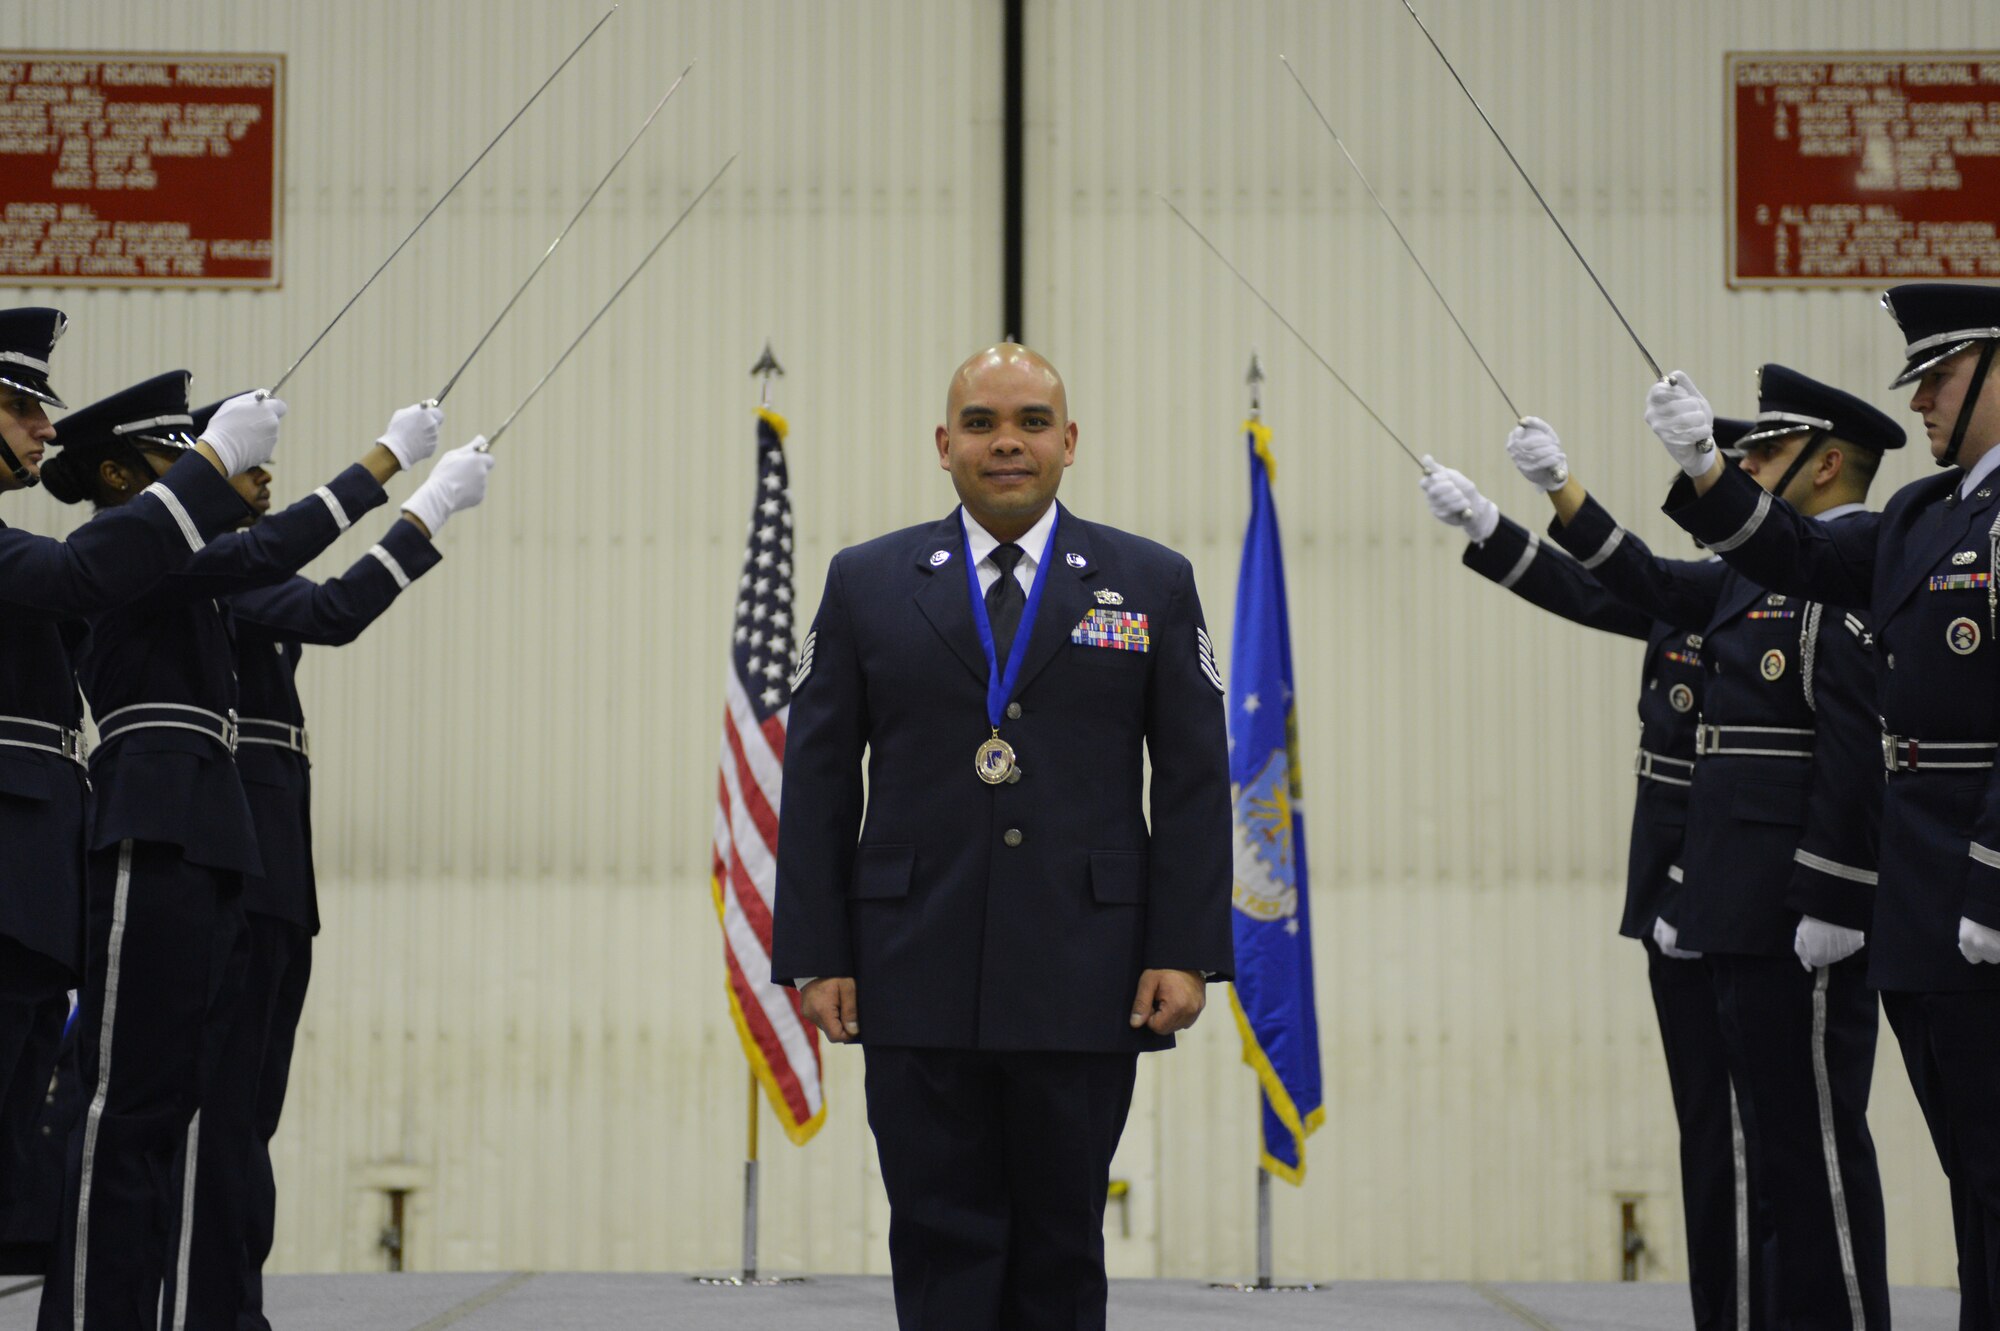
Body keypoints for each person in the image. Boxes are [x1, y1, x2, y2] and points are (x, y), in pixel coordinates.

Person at [771, 343, 1233, 1331]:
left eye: (1029, 421)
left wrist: (1183, 952)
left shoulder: (1151, 581)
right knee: (937, 1236)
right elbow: (814, 779)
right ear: (943, 445)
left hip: (1088, 966)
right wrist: (815, 953)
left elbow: (1191, 783)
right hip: (909, 965)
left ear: (1069, 441)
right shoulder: (865, 582)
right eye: (981, 423)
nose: (1006, 442)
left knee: (1061, 1239)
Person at [32, 371, 439, 1331]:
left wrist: (408, 490)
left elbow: (282, 568)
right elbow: (278, 554)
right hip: (149, 817)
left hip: (212, 829)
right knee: (122, 1113)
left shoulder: (184, 565)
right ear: (125, 474)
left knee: (173, 1108)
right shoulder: (123, 550)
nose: (218, 473)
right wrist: (385, 465)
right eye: (186, 457)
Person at [1516, 367, 1897, 1330]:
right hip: (1737, 894)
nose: (1745, 467)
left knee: (1813, 1157)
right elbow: (1639, 582)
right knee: (1770, 1155)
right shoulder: (1766, 574)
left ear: (1827, 465)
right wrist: (1554, 492)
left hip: (1796, 905)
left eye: (1763, 453)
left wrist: (1836, 893)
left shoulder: (1850, 564)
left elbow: (1852, 743)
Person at [1658, 283, 2000, 1330]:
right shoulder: (1921, 513)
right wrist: (1706, 472)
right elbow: (1797, 558)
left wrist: (1992, 868)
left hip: (1981, 889)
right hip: (1919, 904)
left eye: (1938, 378)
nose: (1922, 403)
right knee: (1970, 1174)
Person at [162, 405, 494, 1331]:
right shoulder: (194, 572)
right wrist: (424, 510)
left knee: (246, 1128)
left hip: (277, 879)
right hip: (234, 872)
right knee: (218, 1126)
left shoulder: (238, 571)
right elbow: (332, 611)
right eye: (246, 468)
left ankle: (231, 1308)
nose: (266, 479)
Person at [1418, 426, 1753, 1331]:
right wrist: (1489, 524)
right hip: (1672, 904)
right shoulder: (1710, 593)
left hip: (1748, 904)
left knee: (1750, 1143)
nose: (1734, 483)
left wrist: (1559, 487)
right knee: (1706, 1139)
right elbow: (1591, 591)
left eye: (1746, 467)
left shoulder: (1766, 594)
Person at [0, 310, 275, 1275]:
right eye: (22, 406)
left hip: (31, 879)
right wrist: (209, 467)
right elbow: (82, 572)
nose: (42, 427)